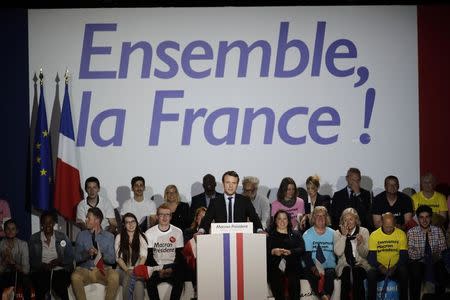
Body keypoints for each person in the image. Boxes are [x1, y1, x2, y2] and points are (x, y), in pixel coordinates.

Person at [71, 207, 119, 300]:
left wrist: (100, 254)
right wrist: (87, 254)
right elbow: (76, 257)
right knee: (75, 276)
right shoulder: (81, 235)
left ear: (97, 220)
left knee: (114, 276)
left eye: (88, 218)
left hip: (102, 271)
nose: (86, 220)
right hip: (85, 270)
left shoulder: (109, 237)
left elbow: (112, 259)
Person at [198, 170, 263, 233]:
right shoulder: (215, 202)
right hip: (221, 238)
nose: (230, 186)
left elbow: (254, 217)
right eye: (228, 182)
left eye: (234, 183)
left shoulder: (245, 201)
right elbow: (206, 220)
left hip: (240, 238)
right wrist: (201, 231)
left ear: (237, 185)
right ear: (223, 183)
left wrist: (260, 230)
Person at [29, 211, 73, 300]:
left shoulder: (62, 237)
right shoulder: (34, 238)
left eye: (50, 222)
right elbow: (32, 260)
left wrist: (58, 262)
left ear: (53, 223)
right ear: (41, 224)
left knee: (61, 289)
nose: (48, 225)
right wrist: (42, 265)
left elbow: (70, 256)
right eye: (45, 223)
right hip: (41, 270)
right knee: (40, 287)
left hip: (59, 270)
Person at [144, 203, 185, 300]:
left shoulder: (178, 232)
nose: (164, 217)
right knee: (150, 281)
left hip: (172, 266)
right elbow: (149, 257)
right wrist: (159, 269)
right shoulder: (149, 233)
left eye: (167, 214)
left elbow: (179, 256)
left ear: (171, 217)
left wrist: (171, 268)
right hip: (156, 267)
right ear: (157, 217)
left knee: (180, 277)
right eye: (161, 214)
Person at [408, 205, 448, 300]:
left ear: (430, 218)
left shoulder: (438, 231)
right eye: (421, 217)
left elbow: (443, 249)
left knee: (441, 270)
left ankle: (439, 297)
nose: (424, 220)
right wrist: (426, 255)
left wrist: (432, 256)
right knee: (415, 271)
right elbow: (411, 253)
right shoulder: (411, 232)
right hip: (418, 261)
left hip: (435, 260)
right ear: (417, 219)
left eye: (427, 217)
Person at [367, 212, 408, 300]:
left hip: (396, 267)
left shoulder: (401, 234)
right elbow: (371, 258)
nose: (389, 229)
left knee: (404, 271)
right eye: (386, 226)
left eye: (391, 226)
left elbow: (404, 256)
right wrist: (380, 267)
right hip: (380, 267)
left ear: (395, 223)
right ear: (381, 223)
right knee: (371, 273)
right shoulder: (374, 235)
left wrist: (395, 267)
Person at [267, 209, 305, 300]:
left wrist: (291, 252)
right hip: (275, 268)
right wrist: (273, 251)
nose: (282, 221)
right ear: (275, 221)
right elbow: (264, 252)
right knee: (277, 283)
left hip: (292, 267)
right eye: (279, 219)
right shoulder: (270, 236)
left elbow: (302, 249)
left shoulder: (296, 234)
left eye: (285, 219)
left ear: (288, 221)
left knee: (294, 282)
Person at [333, 208, 370, 300]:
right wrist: (344, 236)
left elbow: (365, 254)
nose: (348, 222)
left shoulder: (363, 231)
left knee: (357, 272)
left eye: (351, 219)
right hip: (344, 265)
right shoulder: (337, 233)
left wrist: (360, 244)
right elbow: (338, 252)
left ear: (356, 220)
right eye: (345, 220)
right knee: (346, 272)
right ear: (342, 222)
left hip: (360, 264)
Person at [302, 206, 336, 300]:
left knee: (330, 274)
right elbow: (306, 257)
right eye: (317, 216)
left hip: (329, 267)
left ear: (326, 218)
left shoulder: (334, 233)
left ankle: (326, 297)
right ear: (313, 218)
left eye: (323, 216)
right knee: (310, 273)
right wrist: (314, 269)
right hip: (313, 266)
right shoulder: (307, 234)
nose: (320, 218)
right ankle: (323, 296)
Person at [115, 212, 148, 300]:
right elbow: (118, 258)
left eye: (133, 221)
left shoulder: (142, 236)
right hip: (122, 270)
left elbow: (143, 257)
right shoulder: (119, 237)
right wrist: (127, 270)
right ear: (124, 225)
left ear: (137, 223)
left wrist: (136, 271)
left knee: (138, 283)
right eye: (127, 222)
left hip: (137, 269)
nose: (131, 224)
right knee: (128, 276)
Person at [0, 219, 30, 298]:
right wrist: (5, 261)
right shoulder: (0, 245)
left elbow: (26, 270)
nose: (10, 231)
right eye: (8, 229)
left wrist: (14, 263)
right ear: (4, 230)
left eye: (13, 229)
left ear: (17, 231)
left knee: (26, 280)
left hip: (19, 274)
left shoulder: (23, 245)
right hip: (4, 274)